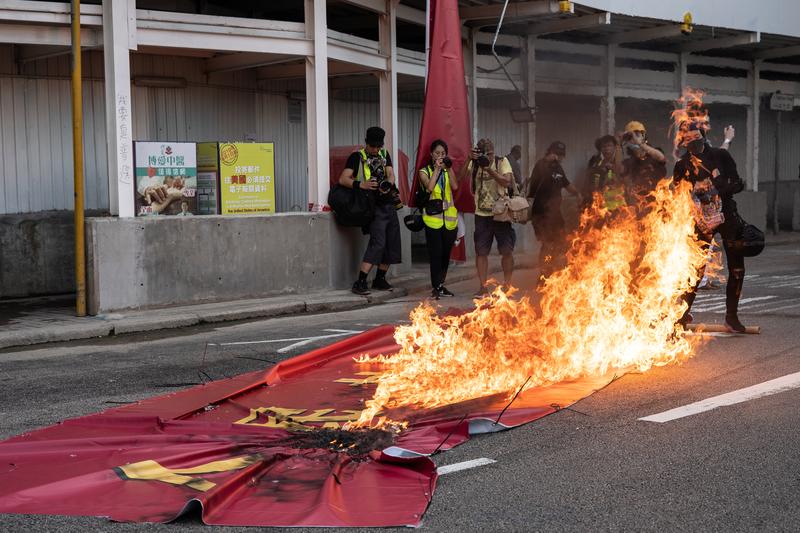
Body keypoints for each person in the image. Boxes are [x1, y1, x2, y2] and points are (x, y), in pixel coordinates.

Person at [673, 122, 748, 332]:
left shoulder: (720, 156)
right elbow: (677, 194)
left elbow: (737, 184)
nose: (693, 142)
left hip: (727, 216)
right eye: (688, 139)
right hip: (700, 221)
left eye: (696, 137)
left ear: (703, 136)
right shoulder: (682, 165)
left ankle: (731, 317)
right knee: (695, 269)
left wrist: (717, 188)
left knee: (737, 267)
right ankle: (680, 315)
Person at [339, 126, 402, 296]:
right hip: (372, 206)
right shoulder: (357, 157)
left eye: (378, 146)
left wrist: (388, 183)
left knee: (392, 242)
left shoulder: (384, 154)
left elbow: (391, 173)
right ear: (366, 143)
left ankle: (380, 279)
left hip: (388, 203)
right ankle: (360, 281)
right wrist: (362, 184)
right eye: (373, 146)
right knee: (378, 243)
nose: (376, 149)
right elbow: (343, 179)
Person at [457, 138, 515, 296]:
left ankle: (507, 285)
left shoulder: (501, 162)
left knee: (506, 251)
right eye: (486, 154)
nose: (489, 156)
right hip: (482, 215)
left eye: (491, 153)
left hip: (500, 213)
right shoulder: (474, 164)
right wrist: (469, 158)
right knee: (481, 252)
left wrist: (489, 169)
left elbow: (507, 182)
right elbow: (459, 178)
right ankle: (483, 287)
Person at [526, 141, 581, 282]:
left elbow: (567, 184)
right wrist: (547, 160)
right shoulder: (541, 165)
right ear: (549, 152)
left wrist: (578, 194)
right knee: (547, 242)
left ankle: (552, 270)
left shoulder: (559, 169)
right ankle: (543, 273)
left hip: (555, 214)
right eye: (555, 153)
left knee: (560, 241)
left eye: (561, 154)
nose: (558, 157)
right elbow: (532, 186)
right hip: (541, 213)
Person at [418, 139, 459, 299]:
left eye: (443, 154)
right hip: (432, 219)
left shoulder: (448, 171)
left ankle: (441, 284)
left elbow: (455, 187)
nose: (440, 156)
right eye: (437, 153)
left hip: (449, 220)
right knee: (435, 254)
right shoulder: (424, 171)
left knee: (445, 254)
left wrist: (448, 170)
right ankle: (435, 286)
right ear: (431, 154)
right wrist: (436, 169)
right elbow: (429, 187)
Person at [620, 121, 667, 201]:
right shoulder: (628, 162)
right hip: (639, 204)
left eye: (637, 135)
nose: (634, 139)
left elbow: (661, 158)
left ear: (644, 136)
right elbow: (620, 172)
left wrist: (640, 144)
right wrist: (618, 143)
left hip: (658, 201)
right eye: (630, 137)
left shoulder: (655, 153)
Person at [583, 135, 625, 212]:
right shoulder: (597, 163)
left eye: (609, 145)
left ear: (614, 147)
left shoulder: (619, 161)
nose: (606, 149)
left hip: (617, 207)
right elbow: (589, 181)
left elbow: (622, 172)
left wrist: (611, 167)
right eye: (603, 146)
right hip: (601, 206)